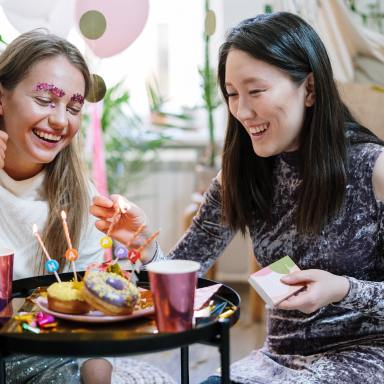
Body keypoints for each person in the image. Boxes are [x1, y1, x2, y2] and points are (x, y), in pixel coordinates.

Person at [91, 11, 384, 384]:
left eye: (256, 91)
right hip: (276, 362)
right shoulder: (240, 175)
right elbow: (185, 274)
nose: (242, 111)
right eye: (232, 94)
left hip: (368, 358)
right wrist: (144, 247)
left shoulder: (373, 169)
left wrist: (342, 289)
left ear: (309, 89)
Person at [0, 29, 112, 384]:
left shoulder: (82, 198)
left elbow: (94, 321)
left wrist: (97, 373)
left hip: (49, 362)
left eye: (73, 107)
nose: (62, 120)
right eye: (46, 99)